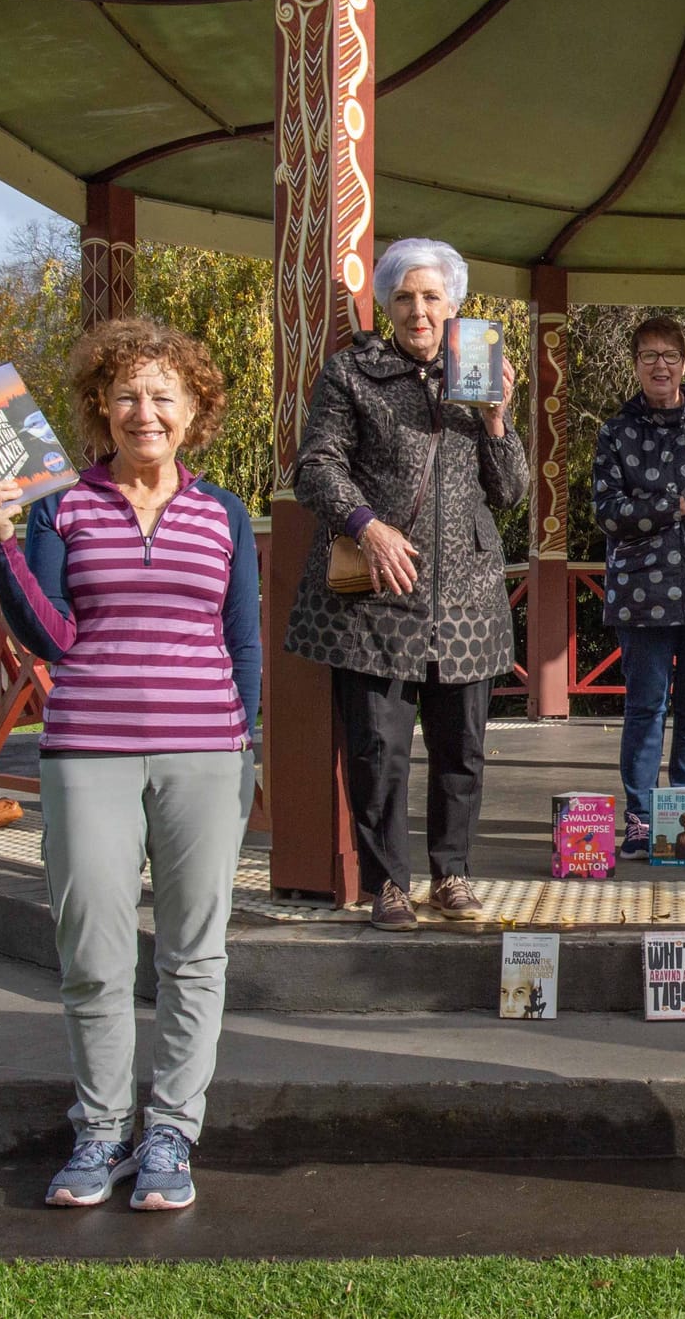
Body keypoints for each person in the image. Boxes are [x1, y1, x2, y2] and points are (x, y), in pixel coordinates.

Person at [0, 318, 258, 1211]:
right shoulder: (62, 506)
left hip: (206, 755)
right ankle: (100, 1127)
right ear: (100, 403)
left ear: (193, 408)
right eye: (128, 393)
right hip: (88, 750)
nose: (146, 411)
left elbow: (241, 641)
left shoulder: (224, 513)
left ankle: (171, 1128)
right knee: (91, 948)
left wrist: (237, 736)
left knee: (193, 953)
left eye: (164, 394)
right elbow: (49, 632)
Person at [285, 238, 529, 932]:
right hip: (378, 594)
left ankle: (453, 874)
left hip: (466, 599)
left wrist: (496, 418)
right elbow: (316, 466)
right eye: (404, 297)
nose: (418, 311)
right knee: (378, 748)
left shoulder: (478, 374)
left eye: (431, 298)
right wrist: (368, 524)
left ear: (455, 306)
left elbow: (510, 491)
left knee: (462, 748)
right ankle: (388, 883)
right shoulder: (351, 373)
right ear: (387, 306)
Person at [593, 315, 685, 860]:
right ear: (635, 365)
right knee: (645, 708)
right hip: (640, 590)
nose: (660, 366)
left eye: (669, 355)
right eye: (649, 356)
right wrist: (673, 506)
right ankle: (640, 823)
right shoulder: (615, 431)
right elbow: (607, 512)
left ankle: (684, 824)